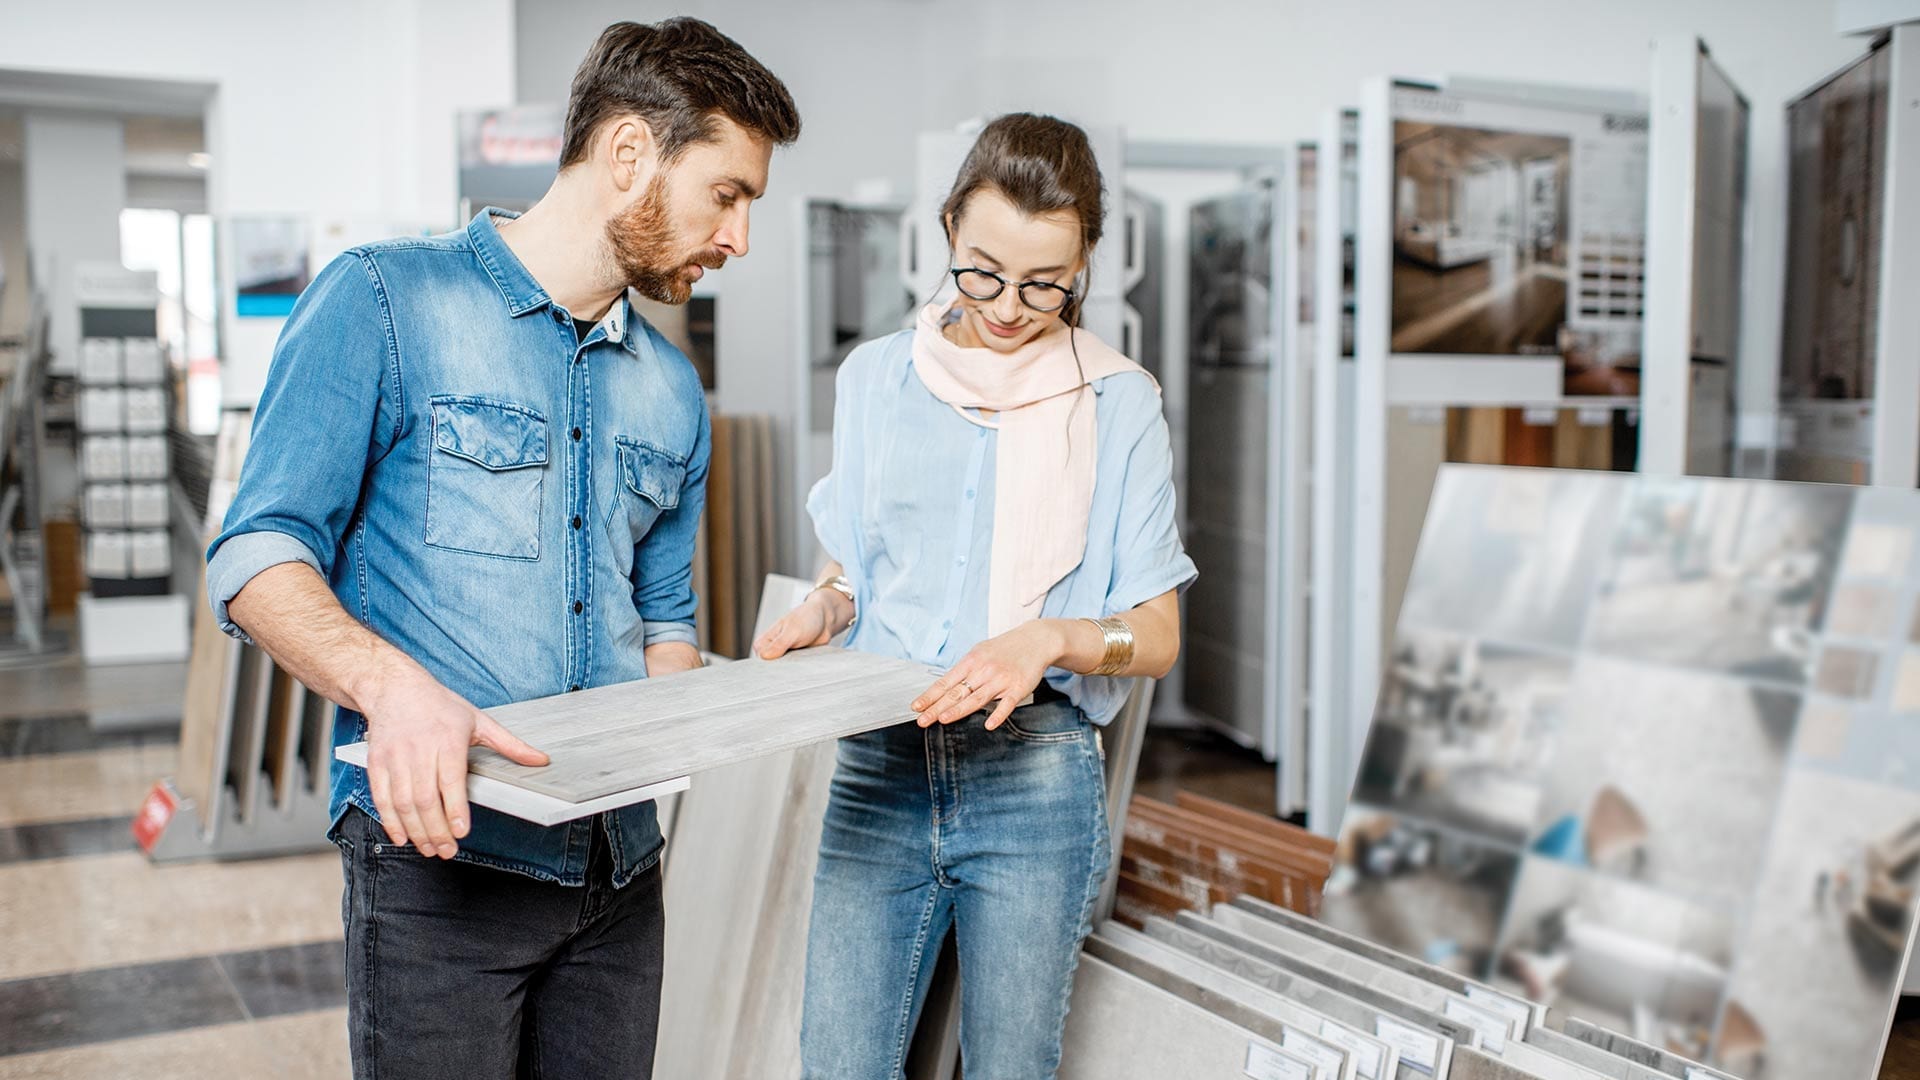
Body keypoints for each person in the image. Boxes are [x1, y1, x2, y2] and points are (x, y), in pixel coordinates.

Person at [204, 19, 798, 1079]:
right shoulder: (385, 301)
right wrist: (393, 688)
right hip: (442, 867)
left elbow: (666, 626)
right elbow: (255, 557)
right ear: (629, 155)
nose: (740, 238)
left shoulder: (671, 390)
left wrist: (721, 704)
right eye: (728, 193)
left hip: (620, 878)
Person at [755, 112, 1197, 1079]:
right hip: (881, 763)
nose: (1008, 306)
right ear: (948, 225)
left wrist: (1046, 639)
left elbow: (1156, 636)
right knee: (839, 1064)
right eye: (984, 270)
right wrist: (827, 608)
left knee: (1009, 1067)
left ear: (1084, 265)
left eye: (1047, 284)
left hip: (1033, 778)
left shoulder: (1120, 401)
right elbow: (859, 570)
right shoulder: (875, 379)